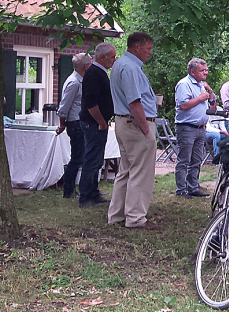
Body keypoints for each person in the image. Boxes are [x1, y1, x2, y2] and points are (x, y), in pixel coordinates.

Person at [108, 32, 159, 230]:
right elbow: (134, 102)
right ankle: (136, 218)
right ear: (136, 47)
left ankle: (117, 214)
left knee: (126, 170)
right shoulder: (129, 68)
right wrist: (146, 128)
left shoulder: (121, 64)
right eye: (148, 49)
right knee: (141, 172)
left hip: (125, 123)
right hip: (136, 124)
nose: (150, 52)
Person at [78, 42, 117, 208]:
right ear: (102, 57)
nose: (114, 60)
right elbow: (90, 102)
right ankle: (86, 196)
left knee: (97, 159)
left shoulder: (100, 73)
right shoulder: (94, 73)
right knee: (91, 160)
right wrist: (101, 121)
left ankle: (93, 192)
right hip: (93, 123)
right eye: (112, 57)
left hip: (98, 122)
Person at [174, 58, 215, 198]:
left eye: (206, 70)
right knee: (184, 160)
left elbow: (212, 103)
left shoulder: (201, 85)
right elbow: (183, 105)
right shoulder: (184, 84)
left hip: (200, 128)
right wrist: (200, 98)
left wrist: (209, 90)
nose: (205, 73)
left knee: (197, 160)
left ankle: (193, 187)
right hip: (186, 127)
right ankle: (181, 189)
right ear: (192, 72)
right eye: (202, 70)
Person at [56, 52, 92, 199]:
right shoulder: (74, 82)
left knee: (81, 157)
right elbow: (64, 106)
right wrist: (62, 124)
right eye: (90, 64)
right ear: (85, 66)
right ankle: (68, 190)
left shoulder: (81, 81)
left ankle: (75, 189)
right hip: (75, 123)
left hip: (80, 122)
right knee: (77, 158)